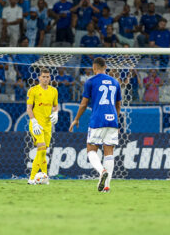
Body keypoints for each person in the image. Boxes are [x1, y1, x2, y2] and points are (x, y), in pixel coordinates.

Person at [69, 57, 122, 193]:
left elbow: (84, 103)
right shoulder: (115, 82)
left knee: (91, 150)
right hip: (112, 120)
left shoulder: (91, 81)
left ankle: (101, 171)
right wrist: (115, 118)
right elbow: (118, 104)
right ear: (105, 67)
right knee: (109, 152)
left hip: (98, 119)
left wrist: (76, 119)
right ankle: (107, 186)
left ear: (94, 67)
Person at [26, 68, 58, 185]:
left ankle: (44, 177)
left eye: (47, 77)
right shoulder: (33, 90)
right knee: (42, 148)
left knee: (43, 152)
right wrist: (34, 121)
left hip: (48, 125)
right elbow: (29, 108)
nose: (45, 79)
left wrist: (56, 113)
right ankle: (31, 178)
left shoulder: (54, 91)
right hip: (36, 125)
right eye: (43, 77)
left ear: (50, 78)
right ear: (39, 78)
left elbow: (55, 106)